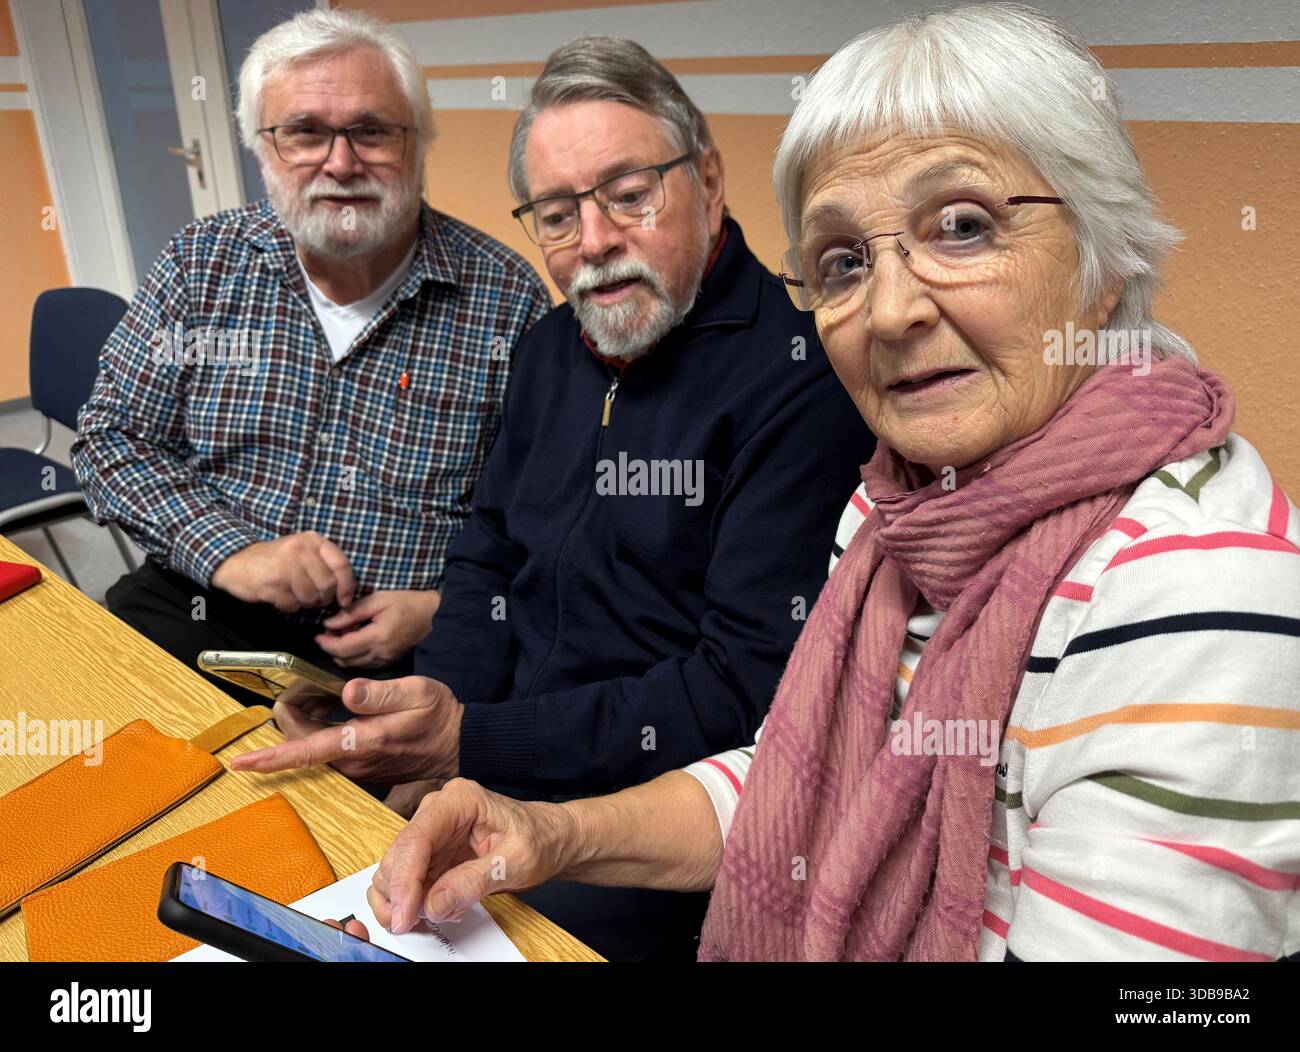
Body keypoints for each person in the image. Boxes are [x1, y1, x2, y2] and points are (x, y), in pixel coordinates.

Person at [352, 5, 1300, 962]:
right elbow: (797, 777)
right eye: (844, 260)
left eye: (962, 227)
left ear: (1104, 256)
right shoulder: (900, 502)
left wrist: (480, 743)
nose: (889, 311)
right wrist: (554, 834)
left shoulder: (1200, 589)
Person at [232, 36, 873, 959]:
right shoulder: (546, 349)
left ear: (709, 180)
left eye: (629, 194)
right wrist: (424, 709)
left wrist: (474, 743)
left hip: (642, 821)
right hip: (493, 756)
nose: (597, 242)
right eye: (559, 215)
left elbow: (742, 690)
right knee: (271, 846)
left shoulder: (800, 383)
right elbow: (486, 553)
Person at [71, 9, 550, 705]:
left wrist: (441, 607)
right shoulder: (200, 264)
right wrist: (230, 552)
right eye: (304, 132)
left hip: (402, 653)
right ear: (263, 149)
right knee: (88, 759)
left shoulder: (509, 301)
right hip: (201, 600)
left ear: (418, 142)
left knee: (356, 812)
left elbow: (555, 525)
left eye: (372, 130)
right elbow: (112, 437)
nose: (341, 162)